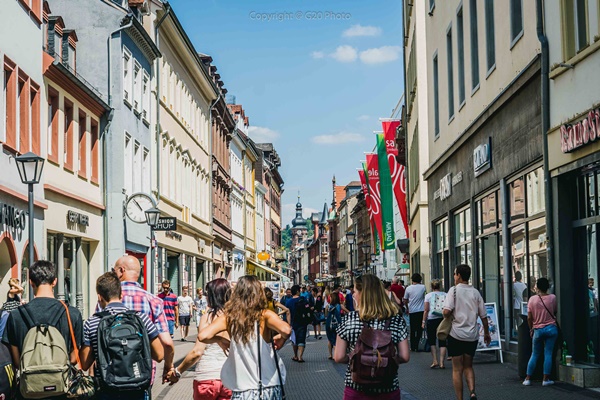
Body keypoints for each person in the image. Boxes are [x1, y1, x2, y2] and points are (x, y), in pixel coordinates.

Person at [198, 275, 291, 399]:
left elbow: (203, 336)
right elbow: (286, 330)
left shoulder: (229, 317)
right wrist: (281, 339)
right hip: (269, 385)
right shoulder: (265, 315)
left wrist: (219, 339)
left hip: (242, 388)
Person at [2, 260, 83, 400]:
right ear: (55, 282)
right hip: (61, 390)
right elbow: (74, 358)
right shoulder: (72, 314)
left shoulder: (16, 315)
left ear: (31, 282)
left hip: (28, 390)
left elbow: (16, 361)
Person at [80, 272, 164, 400]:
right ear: (121, 294)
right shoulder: (141, 318)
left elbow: (85, 364)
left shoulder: (92, 323)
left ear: (99, 297)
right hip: (137, 387)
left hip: (106, 389)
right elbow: (159, 355)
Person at [334, 274, 410, 399]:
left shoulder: (349, 319)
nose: (353, 295)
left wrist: (358, 359)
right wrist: (384, 361)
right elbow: (405, 356)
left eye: (355, 291)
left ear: (362, 294)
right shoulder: (396, 319)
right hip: (388, 388)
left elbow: (338, 357)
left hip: (356, 388)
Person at [112, 255, 174, 383]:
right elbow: (167, 343)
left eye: (114, 271)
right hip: (143, 371)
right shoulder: (154, 301)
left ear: (122, 271)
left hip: (112, 371)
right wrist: (168, 367)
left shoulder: (107, 300)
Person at [167, 279, 232, 400]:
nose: (206, 297)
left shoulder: (207, 318)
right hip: (230, 380)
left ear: (213, 296)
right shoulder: (236, 318)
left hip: (206, 378)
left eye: (208, 294)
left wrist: (177, 372)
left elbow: (197, 352)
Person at [443, 264, 491, 400]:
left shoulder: (453, 291)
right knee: (468, 366)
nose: (453, 276)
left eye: (454, 274)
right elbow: (484, 316)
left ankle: (460, 398)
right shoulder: (475, 292)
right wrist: (486, 333)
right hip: (472, 335)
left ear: (458, 275)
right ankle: (472, 391)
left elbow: (446, 311)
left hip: (456, 334)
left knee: (457, 369)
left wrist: (445, 313)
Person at [523, 277, 558, 387]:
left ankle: (528, 378)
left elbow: (529, 318)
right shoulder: (553, 298)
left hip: (537, 329)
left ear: (537, 287)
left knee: (535, 354)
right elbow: (555, 311)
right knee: (548, 353)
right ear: (548, 287)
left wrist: (531, 328)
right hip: (551, 329)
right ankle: (545, 379)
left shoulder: (532, 299)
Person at [423, 279, 447, 369]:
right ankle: (442, 362)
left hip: (431, 319)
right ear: (440, 286)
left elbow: (426, 310)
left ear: (432, 287)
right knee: (442, 340)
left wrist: (423, 321)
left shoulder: (428, 296)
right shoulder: (445, 294)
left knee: (432, 340)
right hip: (442, 319)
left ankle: (435, 361)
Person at [286, 284, 310, 362]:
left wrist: (289, 324)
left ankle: (295, 355)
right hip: (302, 322)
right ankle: (300, 357)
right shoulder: (303, 300)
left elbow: (288, 313)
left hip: (293, 323)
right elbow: (308, 309)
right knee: (301, 339)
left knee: (294, 340)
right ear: (297, 291)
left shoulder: (288, 302)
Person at [403, 273, 426, 352]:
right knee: (420, 328)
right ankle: (417, 343)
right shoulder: (423, 287)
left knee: (413, 329)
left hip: (412, 310)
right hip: (421, 310)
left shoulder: (408, 288)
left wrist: (407, 307)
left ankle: (413, 346)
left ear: (412, 279)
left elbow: (405, 299)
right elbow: (424, 297)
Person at [325, 290, 342, 360]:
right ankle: (335, 355)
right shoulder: (338, 305)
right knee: (335, 340)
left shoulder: (328, 306)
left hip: (329, 324)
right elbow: (339, 314)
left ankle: (330, 354)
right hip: (336, 324)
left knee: (329, 339)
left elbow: (326, 315)